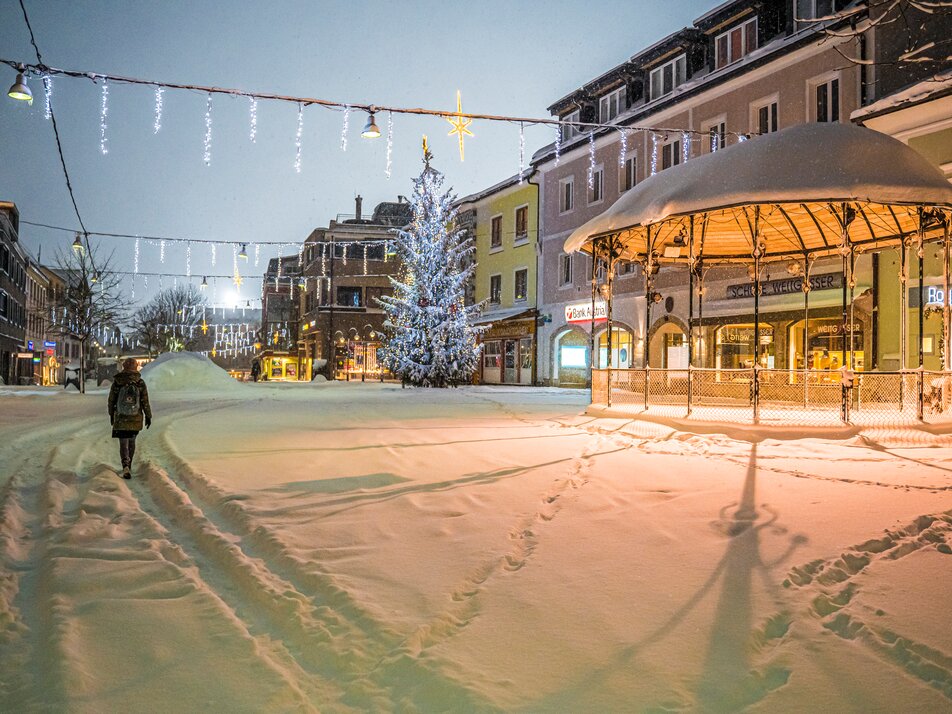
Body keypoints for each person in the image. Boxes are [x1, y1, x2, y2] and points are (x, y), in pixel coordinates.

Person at [107, 358, 152, 479]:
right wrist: (148, 415)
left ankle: (125, 464)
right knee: (132, 441)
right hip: (135, 417)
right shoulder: (139, 382)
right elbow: (144, 401)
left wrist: (111, 414)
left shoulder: (118, 382)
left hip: (121, 417)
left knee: (123, 442)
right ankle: (129, 464)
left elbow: (111, 400)